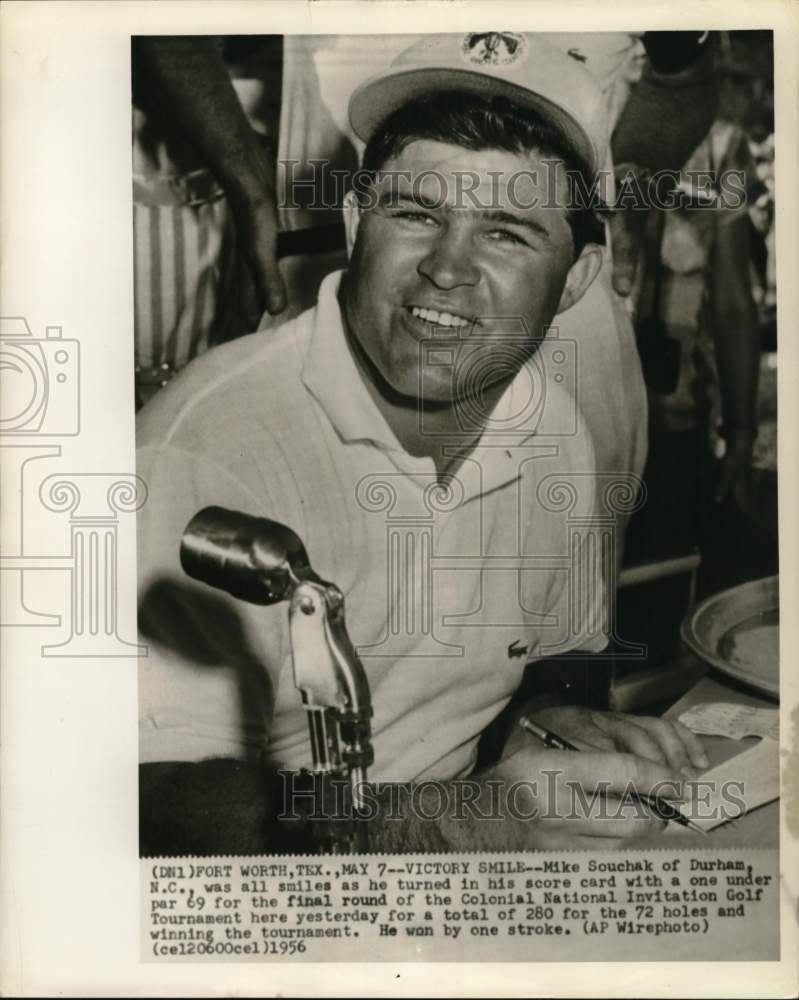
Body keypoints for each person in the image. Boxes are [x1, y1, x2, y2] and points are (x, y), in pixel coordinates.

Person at [137, 33, 707, 856]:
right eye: (415, 214)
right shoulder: (202, 453)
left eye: (507, 232)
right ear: (354, 219)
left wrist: (549, 727)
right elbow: (147, 805)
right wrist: (464, 820)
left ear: (577, 279)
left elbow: (536, 673)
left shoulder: (553, 432)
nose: (446, 269)